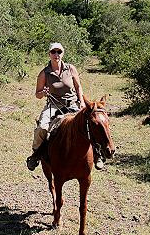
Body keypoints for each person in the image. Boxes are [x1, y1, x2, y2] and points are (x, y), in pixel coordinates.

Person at [26, 42, 104, 171]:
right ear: (49, 54)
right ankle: (36, 155)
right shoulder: (44, 73)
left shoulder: (71, 69)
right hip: (53, 106)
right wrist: (43, 93)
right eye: (53, 52)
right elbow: (37, 94)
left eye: (59, 52)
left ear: (63, 53)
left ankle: (98, 154)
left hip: (72, 104)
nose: (56, 54)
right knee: (42, 128)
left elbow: (78, 87)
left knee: (92, 124)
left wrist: (82, 102)